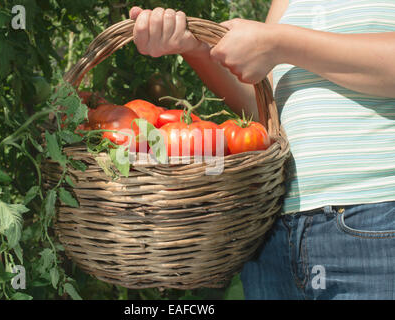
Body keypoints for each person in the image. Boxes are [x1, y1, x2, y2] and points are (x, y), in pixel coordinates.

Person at [129, 0, 395, 300]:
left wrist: (279, 43)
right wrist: (195, 49)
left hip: (376, 219)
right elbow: (264, 110)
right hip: (275, 230)